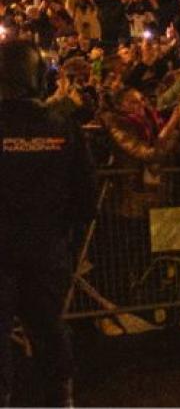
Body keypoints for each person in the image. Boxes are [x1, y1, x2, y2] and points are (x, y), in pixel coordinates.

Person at [0, 40, 97, 407]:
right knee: (50, 330)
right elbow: (86, 196)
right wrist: (63, 234)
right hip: (46, 250)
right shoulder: (63, 127)